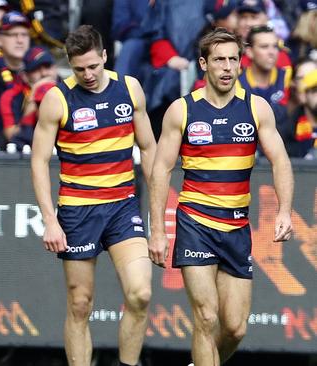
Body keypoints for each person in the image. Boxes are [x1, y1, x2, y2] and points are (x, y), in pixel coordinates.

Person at [148, 28, 293, 366]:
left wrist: (285, 210)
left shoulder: (256, 109)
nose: (227, 67)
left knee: (235, 328)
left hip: (237, 228)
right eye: (219, 60)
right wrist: (157, 230)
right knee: (206, 318)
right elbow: (160, 171)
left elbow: (281, 160)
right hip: (195, 223)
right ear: (204, 64)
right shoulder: (181, 111)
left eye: (233, 59)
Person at [31, 25, 156, 366]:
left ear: (104, 56)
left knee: (141, 293)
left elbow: (149, 150)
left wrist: (158, 219)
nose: (87, 74)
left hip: (122, 206)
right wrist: (50, 221)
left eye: (93, 66)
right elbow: (39, 161)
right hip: (77, 211)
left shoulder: (129, 89)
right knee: (80, 304)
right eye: (79, 68)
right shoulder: (58, 99)